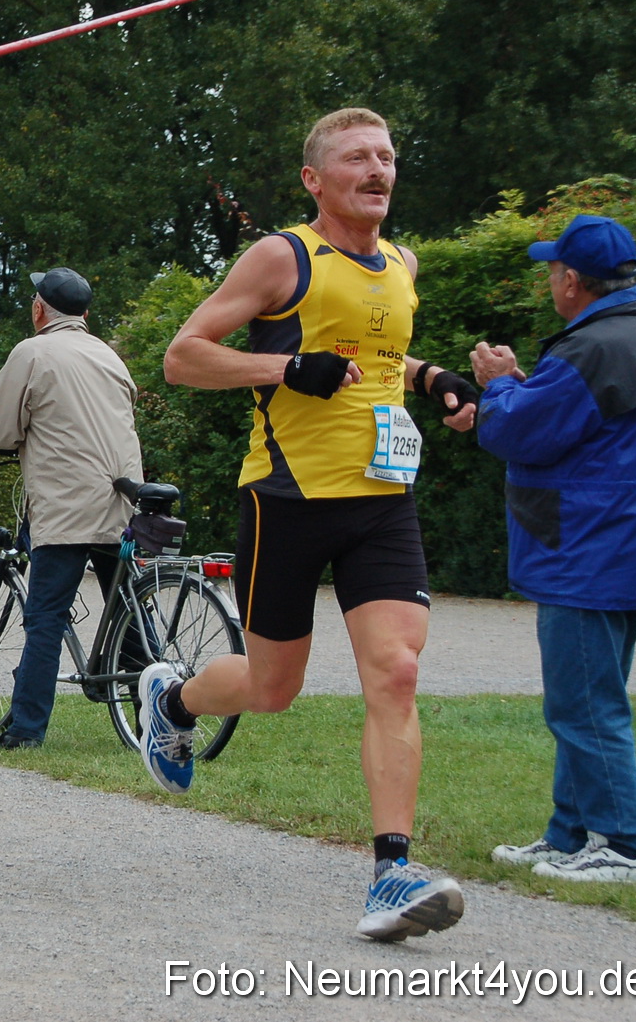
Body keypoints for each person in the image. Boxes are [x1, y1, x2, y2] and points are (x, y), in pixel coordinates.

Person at [149, 108, 480, 940]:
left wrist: (433, 375)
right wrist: (286, 367)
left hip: (382, 502)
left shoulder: (402, 264)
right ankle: (175, 700)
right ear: (315, 180)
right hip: (285, 498)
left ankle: (390, 872)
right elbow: (183, 355)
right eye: (358, 158)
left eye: (388, 157)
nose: (378, 170)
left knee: (396, 671)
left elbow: (378, 353)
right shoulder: (282, 256)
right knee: (273, 688)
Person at [471, 214, 636, 885]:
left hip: (588, 551)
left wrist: (500, 382)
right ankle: (569, 834)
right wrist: (526, 390)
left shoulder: (590, 348)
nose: (550, 279)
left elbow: (517, 431)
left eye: (553, 270)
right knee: (589, 696)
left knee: (585, 705)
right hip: (632, 545)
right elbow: (585, 428)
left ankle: (622, 846)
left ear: (571, 280)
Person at [0, 267, 143, 750]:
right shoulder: (110, 356)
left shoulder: (32, 352)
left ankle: (27, 729)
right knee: (128, 613)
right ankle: (153, 713)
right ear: (85, 314)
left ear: (38, 309)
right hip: (121, 503)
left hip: (66, 508)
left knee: (45, 616)